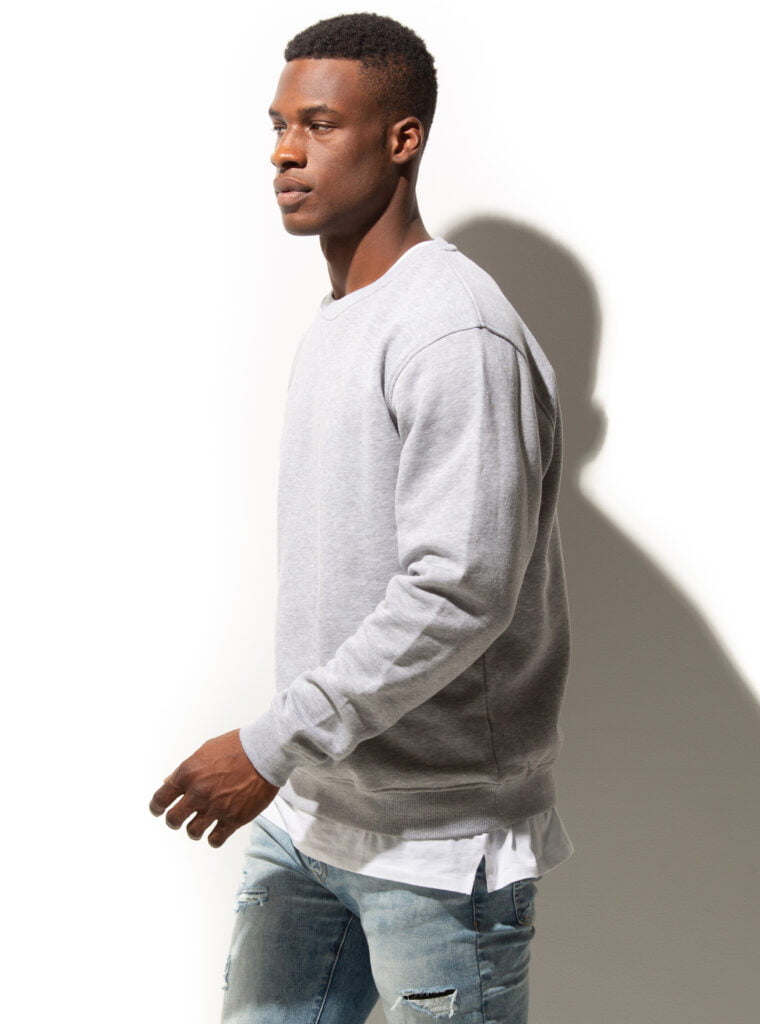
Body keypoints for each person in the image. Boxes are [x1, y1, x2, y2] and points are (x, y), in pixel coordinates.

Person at [150, 13, 572, 1023]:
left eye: (321, 124)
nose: (285, 152)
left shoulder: (453, 330)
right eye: (279, 125)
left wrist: (267, 743)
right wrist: (291, 759)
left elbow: (458, 591)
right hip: (311, 814)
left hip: (435, 846)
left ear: (402, 139)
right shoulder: (346, 315)